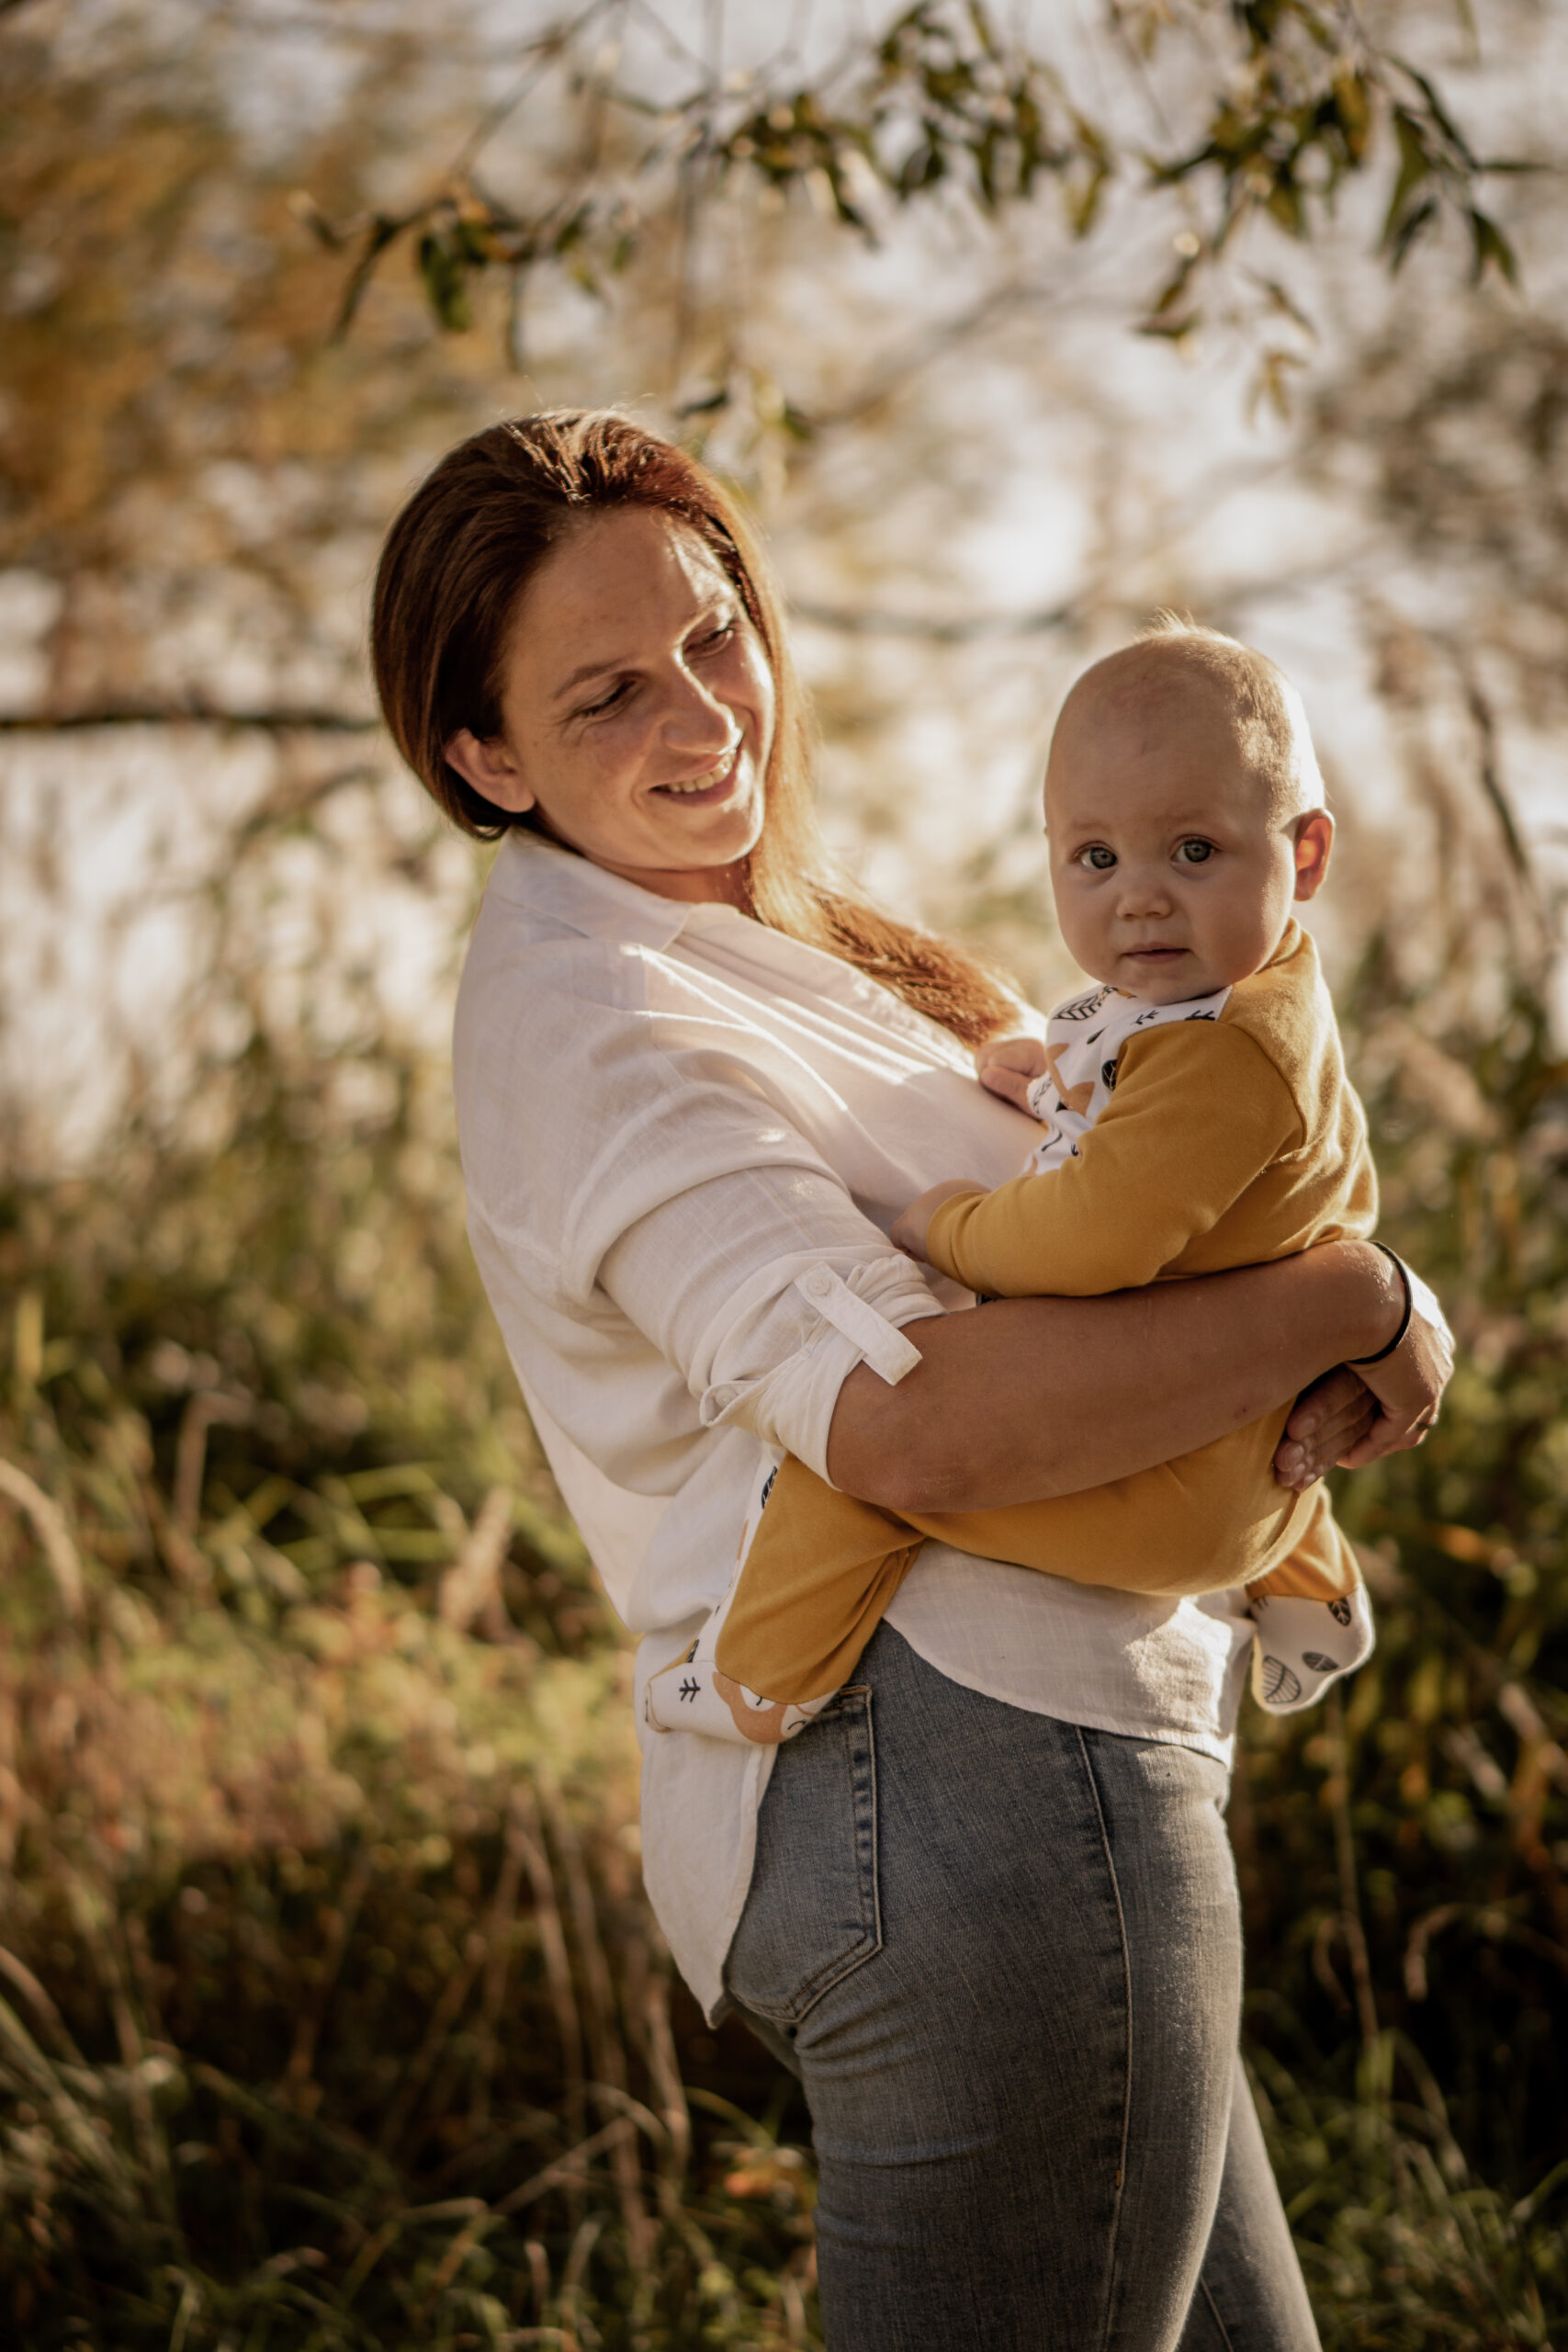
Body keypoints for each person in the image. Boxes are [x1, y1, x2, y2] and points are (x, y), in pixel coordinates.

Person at [370, 409, 1451, 2352]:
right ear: (487, 757)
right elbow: (910, 1421)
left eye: (713, 635)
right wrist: (1344, 1301)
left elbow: (1168, 1173)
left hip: (1044, 1783)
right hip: (963, 1786)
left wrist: (1359, 1306)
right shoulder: (596, 1019)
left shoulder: (790, 947)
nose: (703, 712)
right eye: (607, 693)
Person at [660, 620, 1393, 1745]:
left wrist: (948, 1226)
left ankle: (753, 1686)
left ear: (1304, 854)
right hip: (1240, 1445)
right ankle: (1304, 1572)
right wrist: (1059, 1084)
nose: (1141, 897)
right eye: (1097, 859)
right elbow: (1189, 1152)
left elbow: (1092, 1239)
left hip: (1173, 1486)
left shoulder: (1226, 1052)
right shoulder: (1244, 1003)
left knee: (854, 1474)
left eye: (1193, 850)